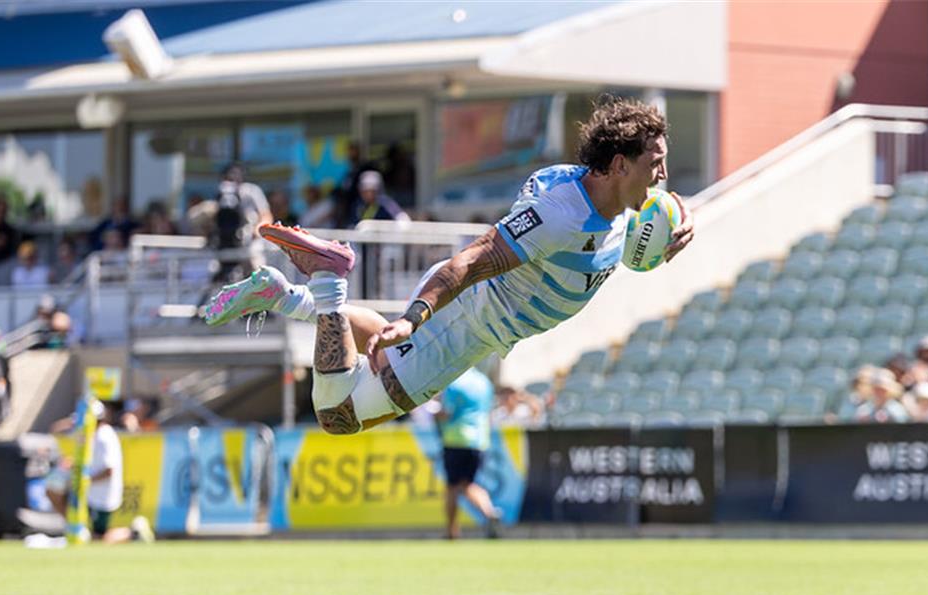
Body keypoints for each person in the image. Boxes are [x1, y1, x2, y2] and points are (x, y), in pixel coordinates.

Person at [202, 97, 694, 436]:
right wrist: (416, 318)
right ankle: (327, 279)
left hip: (478, 328)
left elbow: (610, 249)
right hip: (464, 326)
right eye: (656, 162)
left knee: (374, 340)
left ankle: (281, 295)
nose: (663, 174)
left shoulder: (608, 203)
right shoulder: (559, 214)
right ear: (619, 165)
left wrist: (663, 237)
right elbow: (473, 260)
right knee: (338, 416)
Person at [48, 401, 152, 543]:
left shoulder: (104, 437)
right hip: (89, 494)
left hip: (102, 497)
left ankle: (132, 532)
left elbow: (109, 470)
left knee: (98, 539)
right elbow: (55, 429)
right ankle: (77, 529)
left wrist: (86, 481)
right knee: (54, 491)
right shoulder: (90, 435)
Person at [435, 367, 503, 540]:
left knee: (453, 486)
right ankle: (489, 512)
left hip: (456, 438)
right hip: (480, 440)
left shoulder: (454, 381)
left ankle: (452, 531)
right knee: (468, 483)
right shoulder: (484, 382)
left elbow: (446, 412)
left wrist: (433, 415)